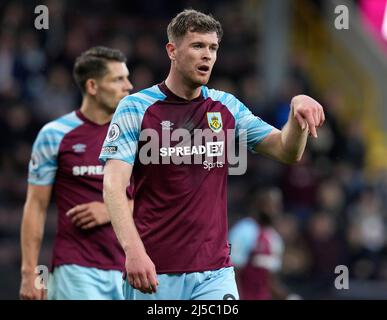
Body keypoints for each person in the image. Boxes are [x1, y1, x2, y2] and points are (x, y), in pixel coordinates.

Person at [99, 9, 325, 300]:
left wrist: (297, 112)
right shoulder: (136, 108)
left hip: (214, 273)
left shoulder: (226, 106)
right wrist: (133, 252)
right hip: (154, 271)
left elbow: (286, 150)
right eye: (197, 46)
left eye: (213, 48)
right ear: (172, 50)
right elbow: (113, 186)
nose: (207, 55)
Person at [19, 46, 134, 300]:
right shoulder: (54, 134)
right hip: (77, 268)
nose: (129, 86)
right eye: (118, 79)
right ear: (92, 86)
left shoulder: (140, 137)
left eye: (126, 77)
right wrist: (29, 273)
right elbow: (36, 206)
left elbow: (161, 201)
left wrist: (111, 209)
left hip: (134, 268)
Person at [229, 187, 300, 300]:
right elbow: (232, 273)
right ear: (259, 205)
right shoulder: (243, 231)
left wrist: (289, 297)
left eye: (278, 206)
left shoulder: (274, 238)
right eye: (271, 205)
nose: (275, 210)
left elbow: (270, 280)